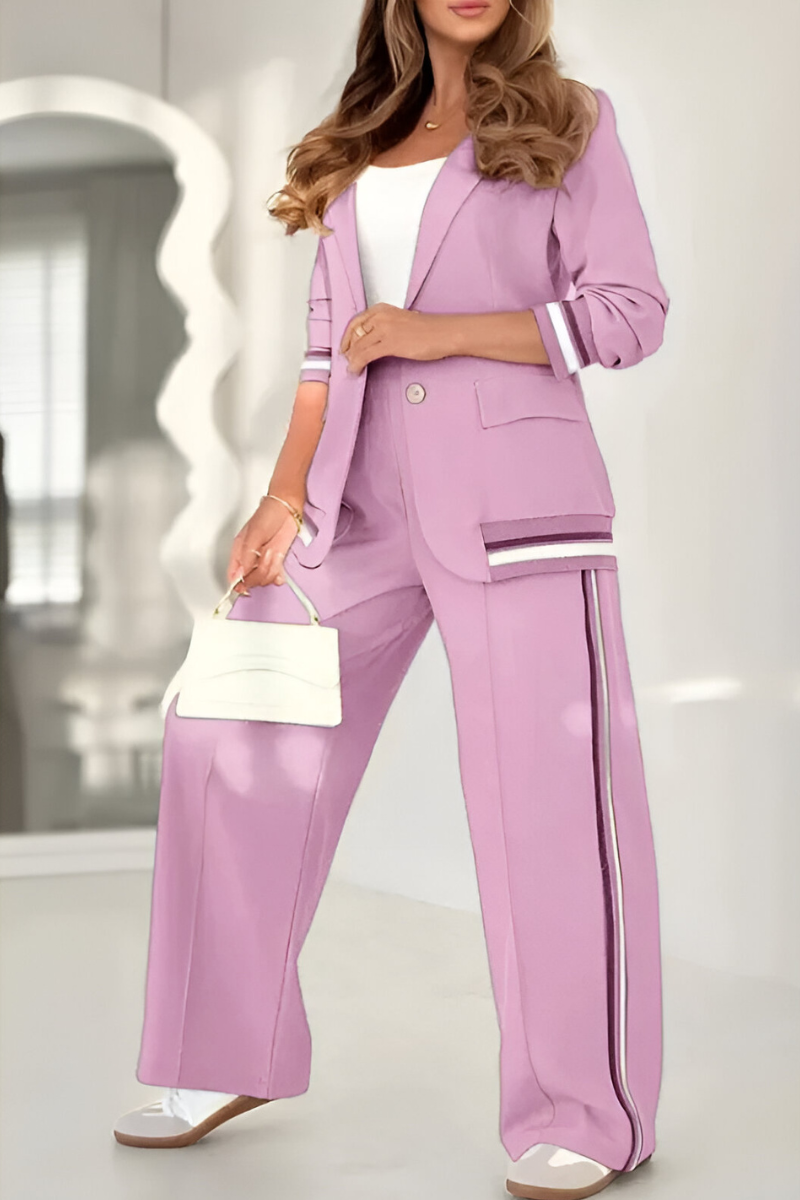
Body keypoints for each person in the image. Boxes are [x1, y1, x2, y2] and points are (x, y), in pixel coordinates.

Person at [113, 2, 669, 1196]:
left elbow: (629, 315)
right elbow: (328, 350)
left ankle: (585, 1110)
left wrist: (437, 331)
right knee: (227, 736)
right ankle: (224, 1055)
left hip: (516, 508)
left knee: (544, 807)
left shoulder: (568, 120)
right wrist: (280, 495)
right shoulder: (358, 138)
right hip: (351, 504)